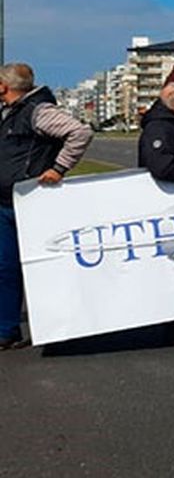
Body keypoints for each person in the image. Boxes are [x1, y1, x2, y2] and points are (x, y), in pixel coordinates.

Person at [0, 62, 93, 350]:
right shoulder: (11, 113)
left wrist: (58, 168)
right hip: (6, 200)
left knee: (42, 266)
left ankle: (59, 325)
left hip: (30, 202)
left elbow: (80, 133)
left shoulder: (37, 111)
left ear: (4, 86)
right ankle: (6, 329)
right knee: (5, 267)